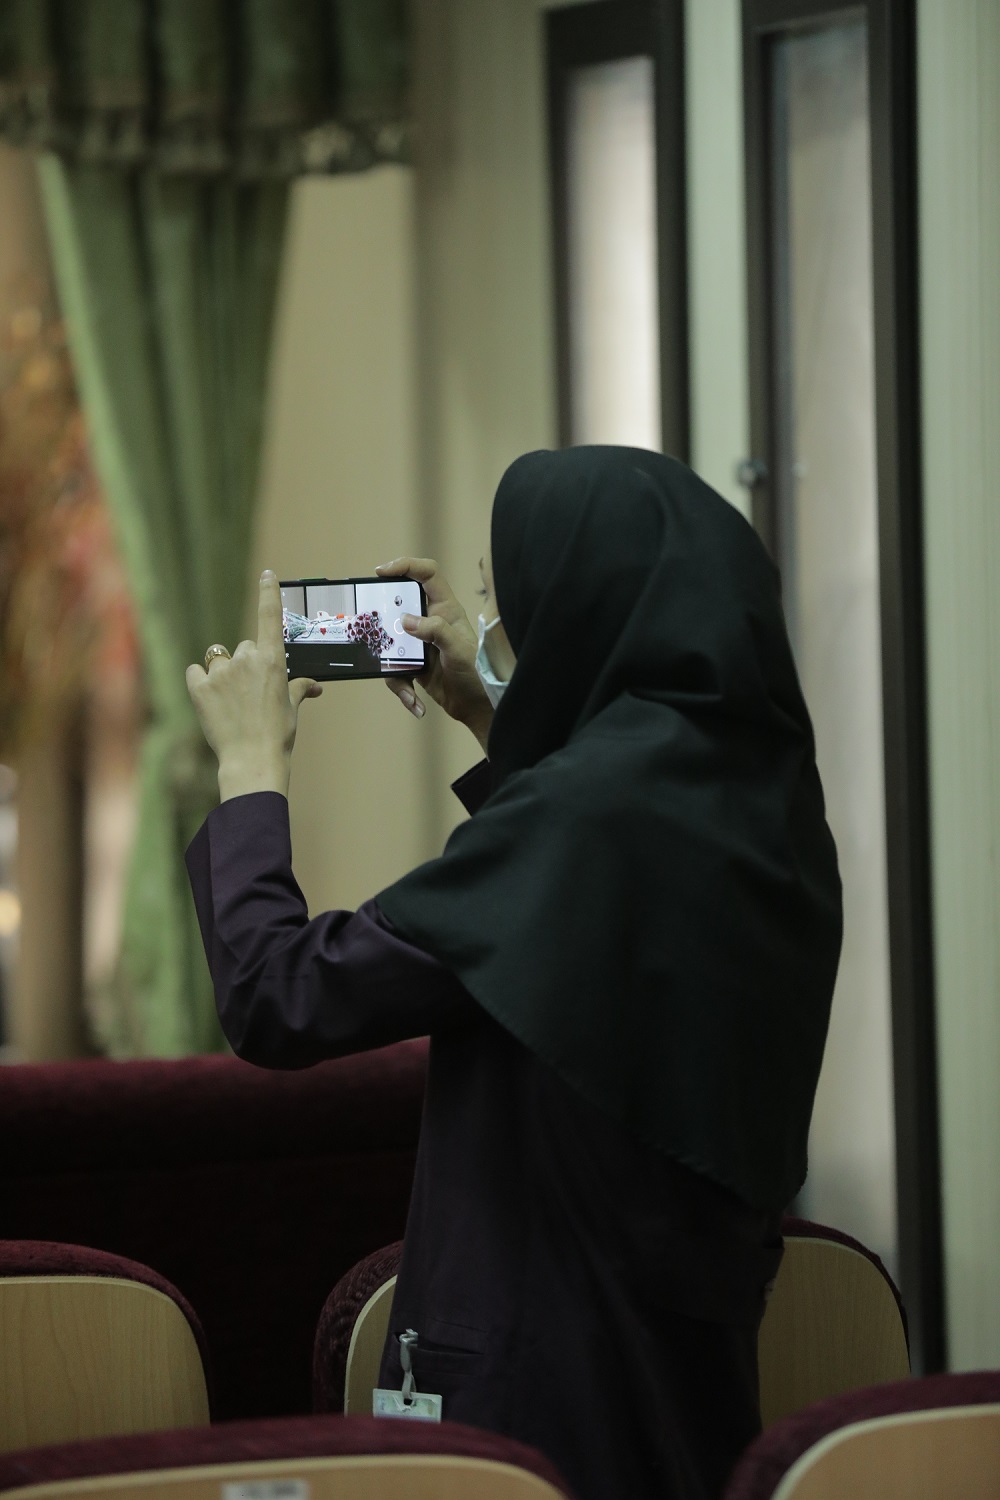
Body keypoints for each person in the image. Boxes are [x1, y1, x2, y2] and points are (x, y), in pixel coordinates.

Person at [185, 446, 842, 1500]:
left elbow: (279, 995)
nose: (496, 628)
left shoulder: (585, 823)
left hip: (536, 1401)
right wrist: (495, 719)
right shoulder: (768, 809)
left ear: (578, 606)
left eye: (507, 600)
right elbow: (586, 934)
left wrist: (250, 772)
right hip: (683, 1383)